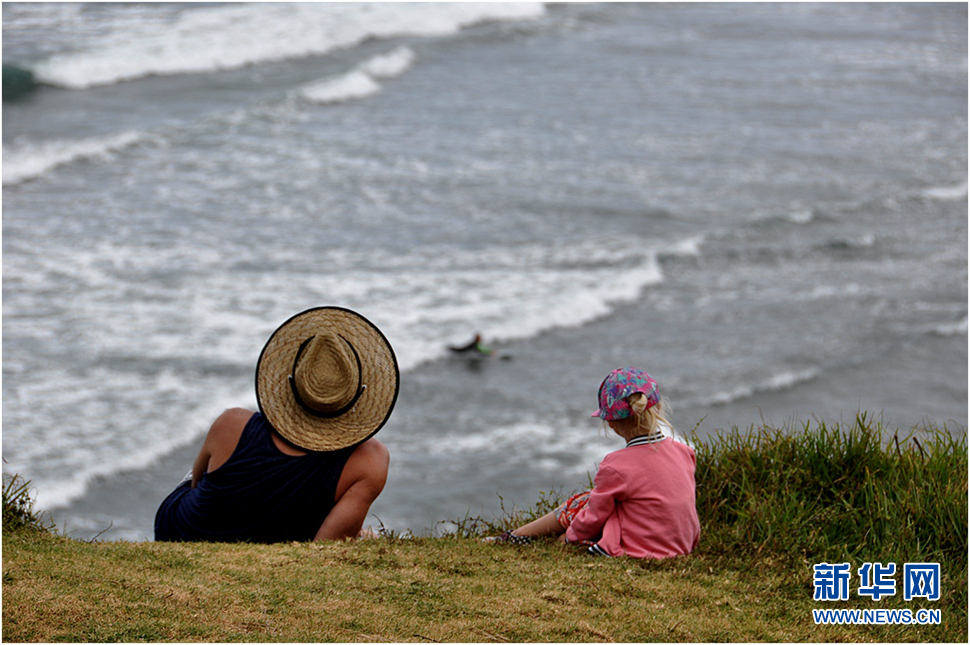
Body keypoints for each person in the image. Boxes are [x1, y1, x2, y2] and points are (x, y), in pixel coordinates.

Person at [154, 306, 399, 543]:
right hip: (275, 539)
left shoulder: (232, 422)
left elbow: (197, 485)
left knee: (207, 473)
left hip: (180, 532)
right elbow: (326, 550)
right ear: (359, 392)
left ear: (290, 381)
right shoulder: (371, 460)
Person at [486, 368, 700, 558]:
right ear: (658, 406)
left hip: (639, 549)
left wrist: (568, 539)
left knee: (582, 502)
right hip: (681, 547)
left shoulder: (616, 465)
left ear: (611, 424)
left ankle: (519, 535)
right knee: (602, 499)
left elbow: (593, 518)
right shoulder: (685, 452)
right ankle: (518, 535)